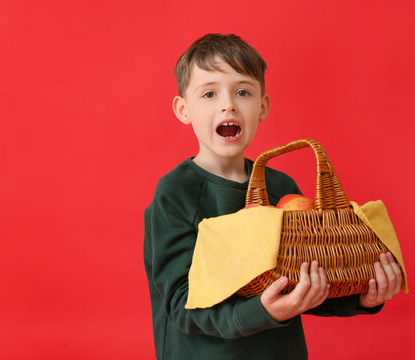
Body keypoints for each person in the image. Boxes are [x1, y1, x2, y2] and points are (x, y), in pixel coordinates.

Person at [143, 33, 402, 360]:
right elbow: (181, 306)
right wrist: (263, 311)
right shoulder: (175, 194)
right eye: (209, 93)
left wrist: (363, 298)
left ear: (262, 107)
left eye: (242, 92)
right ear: (183, 109)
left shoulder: (280, 187)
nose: (228, 104)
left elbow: (307, 281)